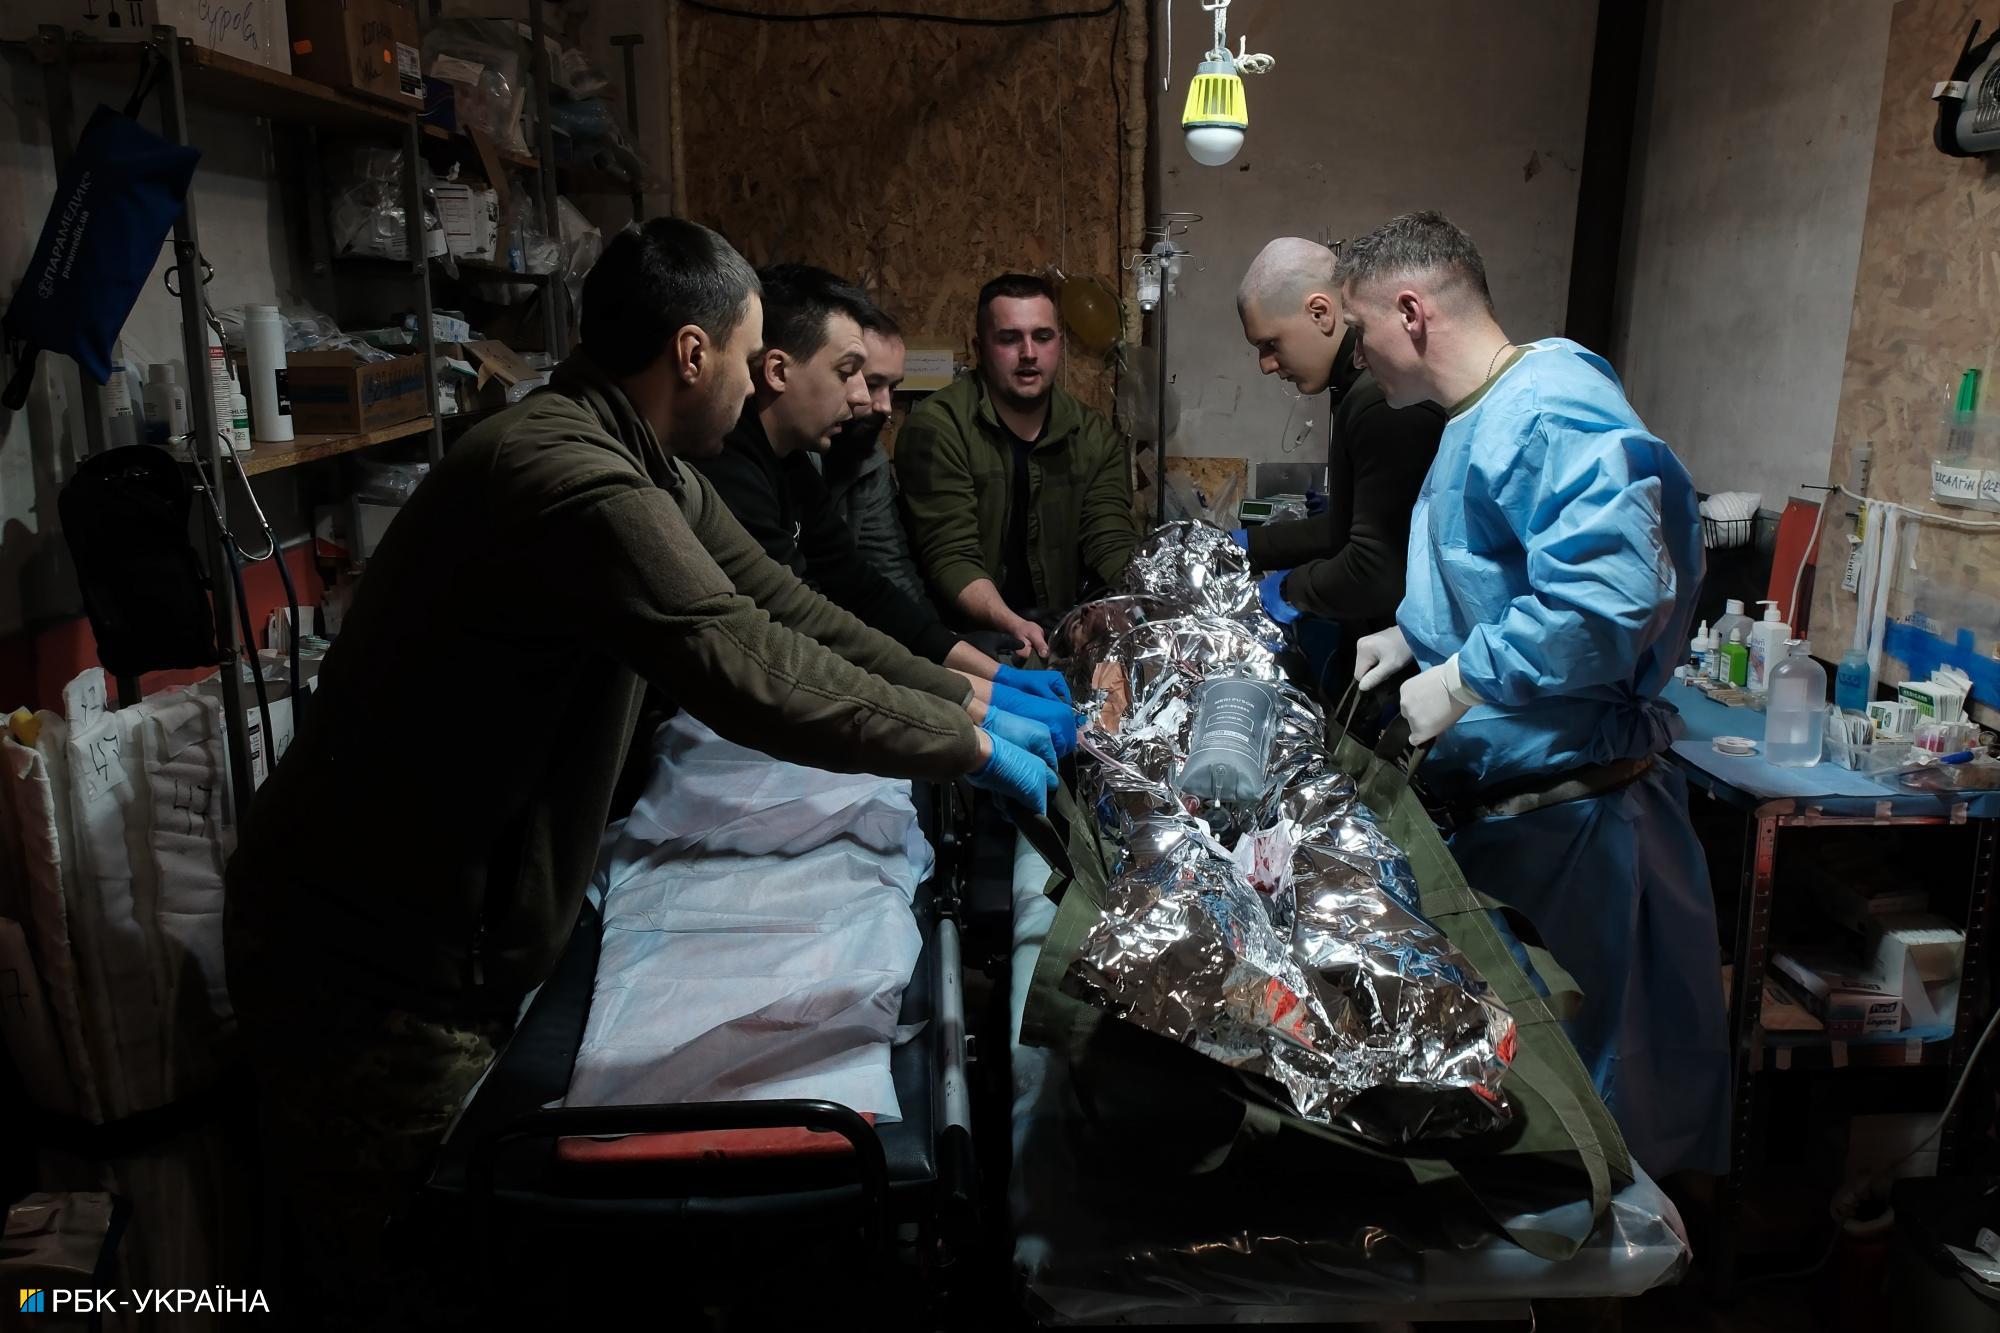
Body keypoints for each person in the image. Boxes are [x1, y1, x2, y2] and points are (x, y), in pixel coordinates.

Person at [222, 219, 1057, 1326]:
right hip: (369, 961)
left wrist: (978, 700)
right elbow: (745, 663)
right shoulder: (567, 474)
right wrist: (972, 749)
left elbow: (782, 604)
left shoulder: (640, 462)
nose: (760, 382)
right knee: (415, 1264)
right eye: (750, 356)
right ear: (691, 354)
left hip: (446, 931)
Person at [1338, 210, 1728, 1181]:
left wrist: (1466, 675)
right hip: (1519, 816)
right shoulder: (1476, 416)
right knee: (1527, 1089)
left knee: (1584, 1109)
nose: (1356, 354)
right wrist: (1417, 635)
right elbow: (1507, 577)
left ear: (1410, 311)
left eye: (1359, 328)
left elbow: (1607, 598)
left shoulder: (1549, 406)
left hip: (1576, 824)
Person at [691, 263, 1074, 746]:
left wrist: (987, 676)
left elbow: (865, 588)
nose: (864, 400)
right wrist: (972, 714)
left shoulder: (790, 462)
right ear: (777, 371)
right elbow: (805, 625)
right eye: (848, 373)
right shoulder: (729, 467)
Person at [1230, 236, 1445, 691]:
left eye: (1270, 343)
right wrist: (1247, 545)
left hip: (1408, 663)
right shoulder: (1354, 391)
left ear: (1320, 313)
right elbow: (1344, 530)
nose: (1266, 365)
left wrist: (1290, 589)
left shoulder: (1381, 400)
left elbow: (1376, 570)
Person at [895, 273, 1140, 657]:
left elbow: (1111, 541)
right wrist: (1011, 622)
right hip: (959, 640)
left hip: (1054, 637)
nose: (1029, 352)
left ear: (1059, 344)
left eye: (1042, 337)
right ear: (979, 349)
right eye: (1009, 338)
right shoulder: (939, 427)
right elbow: (952, 556)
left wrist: (1139, 604)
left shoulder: (1094, 437)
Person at [820, 309, 930, 606]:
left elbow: (889, 568)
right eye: (872, 384)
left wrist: (935, 633)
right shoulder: (790, 455)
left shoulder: (868, 458)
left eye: (892, 388)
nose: (885, 406)